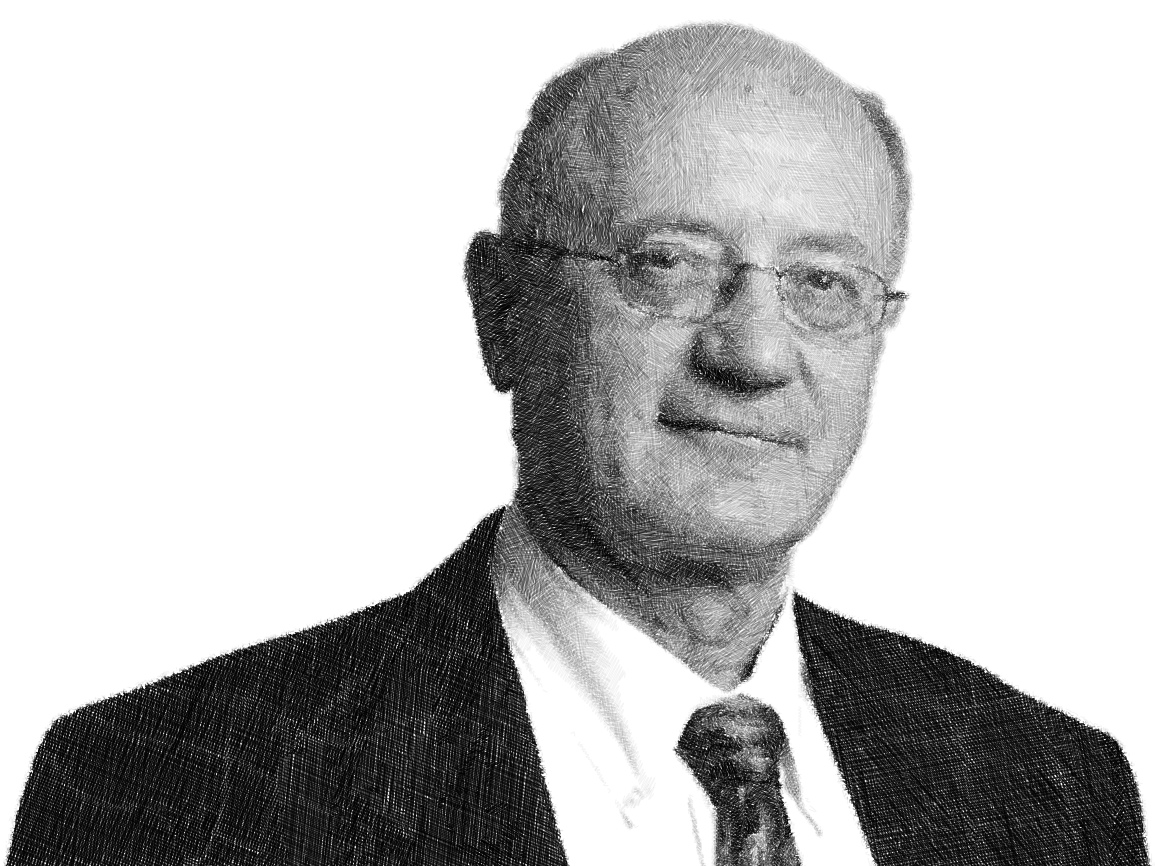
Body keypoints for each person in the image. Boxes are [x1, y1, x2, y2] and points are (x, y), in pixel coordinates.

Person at [7, 23, 1146, 866]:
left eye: (822, 283)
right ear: (503, 310)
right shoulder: (173, 795)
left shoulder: (1052, 787)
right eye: (668, 262)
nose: (754, 351)